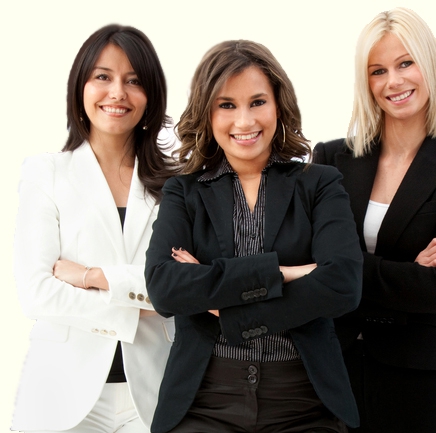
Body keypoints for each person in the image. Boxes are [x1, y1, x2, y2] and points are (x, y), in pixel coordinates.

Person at [144, 39, 363, 433]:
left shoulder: (319, 184)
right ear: (207, 112)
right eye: (227, 105)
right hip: (204, 399)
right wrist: (283, 272)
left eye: (257, 102)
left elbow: (343, 283)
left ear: (278, 105)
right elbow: (164, 287)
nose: (244, 122)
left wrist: (227, 308)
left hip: (303, 400)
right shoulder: (184, 192)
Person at [313, 7, 436, 433]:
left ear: (429, 66)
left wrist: (340, 268)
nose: (393, 81)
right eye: (378, 71)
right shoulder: (331, 159)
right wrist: (408, 271)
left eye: (405, 63)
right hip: (330, 373)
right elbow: (307, 262)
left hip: (418, 385)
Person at [12, 24, 177, 433]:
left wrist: (91, 277)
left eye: (134, 81)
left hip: (154, 393)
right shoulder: (45, 173)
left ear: (151, 95)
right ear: (80, 87)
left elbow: (185, 285)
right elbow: (36, 293)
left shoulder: (177, 184)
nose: (117, 92)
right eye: (103, 76)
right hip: (60, 395)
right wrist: (139, 308)